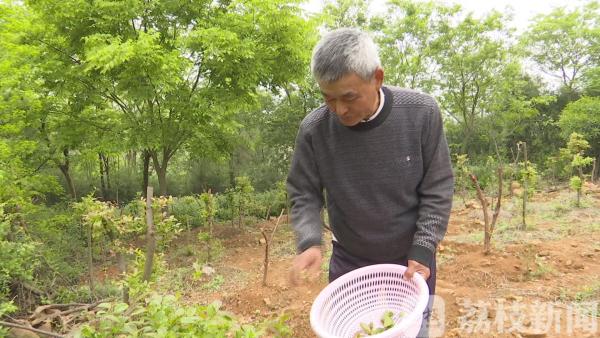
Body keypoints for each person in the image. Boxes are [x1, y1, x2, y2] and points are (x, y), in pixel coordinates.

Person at [286, 28, 454, 337]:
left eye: (349, 97)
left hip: (410, 261)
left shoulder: (421, 113)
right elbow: (303, 191)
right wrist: (309, 241)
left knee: (414, 331)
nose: (339, 110)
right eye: (328, 98)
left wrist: (424, 246)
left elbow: (438, 186)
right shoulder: (314, 129)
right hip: (350, 261)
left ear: (377, 77)